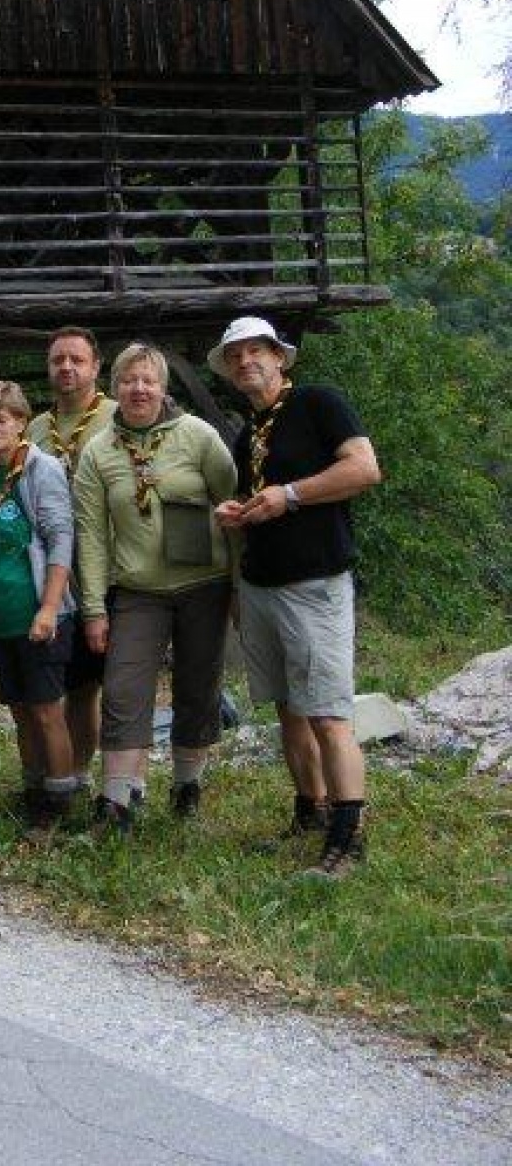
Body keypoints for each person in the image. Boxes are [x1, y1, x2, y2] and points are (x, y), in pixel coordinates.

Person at [210, 315, 381, 880]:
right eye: (234, 355)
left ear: (280, 358)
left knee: (329, 712)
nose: (244, 362)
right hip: (261, 585)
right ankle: (309, 813)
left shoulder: (317, 403)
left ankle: (348, 836)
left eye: (256, 350)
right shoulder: (248, 431)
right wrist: (240, 512)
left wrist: (289, 495)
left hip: (315, 584)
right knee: (288, 708)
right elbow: (262, 500)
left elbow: (363, 468)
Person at [75, 342, 238, 830]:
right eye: (128, 380)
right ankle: (117, 803)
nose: (138, 389)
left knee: (198, 689)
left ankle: (188, 788)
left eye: (148, 380)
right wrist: (93, 609)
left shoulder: (198, 436)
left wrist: (238, 589)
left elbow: (235, 510)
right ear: (114, 387)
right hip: (137, 591)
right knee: (124, 691)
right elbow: (90, 535)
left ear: (163, 387)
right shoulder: (98, 451)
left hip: (204, 585)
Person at [0, 379, 77, 830]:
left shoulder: (41, 469)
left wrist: (49, 608)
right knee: (17, 710)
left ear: (20, 423)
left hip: (38, 611)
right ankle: (34, 789)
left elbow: (60, 538)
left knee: (47, 710)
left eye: (4, 420)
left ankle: (62, 795)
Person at [27, 326, 117, 792]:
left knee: (90, 686)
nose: (66, 367)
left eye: (76, 360)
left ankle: (83, 771)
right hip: (53, 576)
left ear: (96, 367)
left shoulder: (118, 417)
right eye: (58, 359)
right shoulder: (35, 429)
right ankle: (51, 771)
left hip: (108, 569)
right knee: (60, 680)